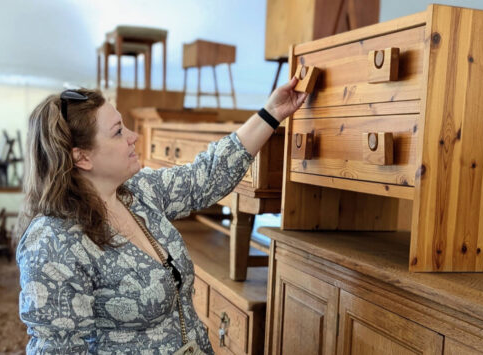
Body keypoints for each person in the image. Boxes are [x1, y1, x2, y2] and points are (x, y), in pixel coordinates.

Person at [16, 77, 307, 354]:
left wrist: (271, 113)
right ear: (82, 157)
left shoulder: (137, 192)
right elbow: (59, 348)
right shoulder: (53, 241)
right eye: (118, 131)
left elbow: (205, 176)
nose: (134, 137)